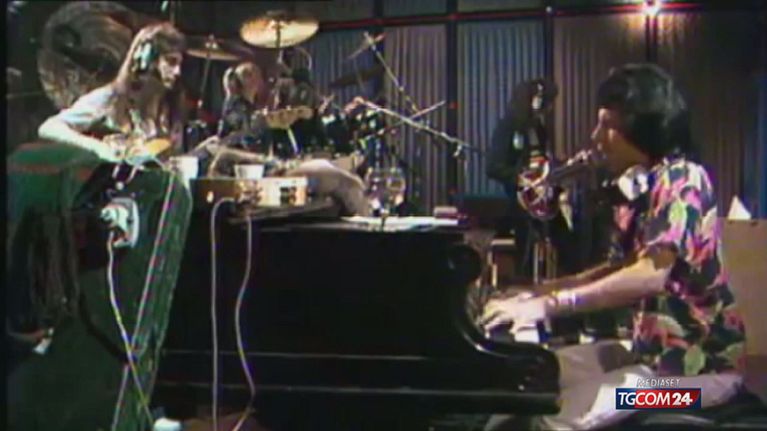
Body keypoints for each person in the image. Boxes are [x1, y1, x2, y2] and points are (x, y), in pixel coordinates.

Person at [480, 64, 746, 430]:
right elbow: (617, 269)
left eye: (607, 125)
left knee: (561, 417)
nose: (596, 137)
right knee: (540, 375)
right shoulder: (643, 187)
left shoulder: (683, 178)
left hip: (700, 379)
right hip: (650, 357)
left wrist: (551, 305)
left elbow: (649, 274)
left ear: (641, 129)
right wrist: (539, 292)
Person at [38, 22, 187, 161]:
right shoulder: (111, 98)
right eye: (171, 62)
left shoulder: (169, 107)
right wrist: (98, 147)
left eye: (180, 64)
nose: (178, 72)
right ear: (147, 59)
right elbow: (50, 127)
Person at [486, 79, 580, 279]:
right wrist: (520, 178)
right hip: (518, 197)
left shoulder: (539, 129)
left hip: (543, 193)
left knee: (566, 236)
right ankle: (523, 279)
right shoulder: (507, 127)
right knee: (526, 235)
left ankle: (566, 277)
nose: (547, 108)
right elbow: (493, 167)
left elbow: (543, 159)